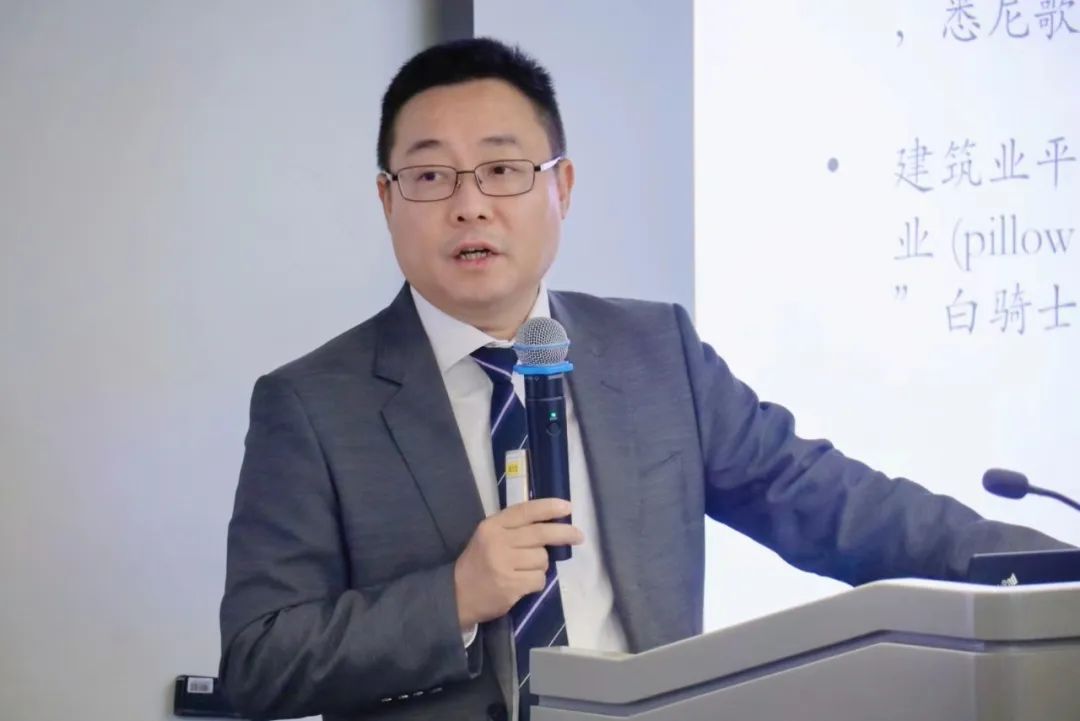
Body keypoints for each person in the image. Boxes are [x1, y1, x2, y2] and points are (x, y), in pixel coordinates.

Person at [218, 37, 1066, 721]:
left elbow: (839, 506)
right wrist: (453, 597)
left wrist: (1053, 572)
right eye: (431, 176)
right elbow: (258, 663)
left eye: (503, 170)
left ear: (562, 187)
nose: (470, 204)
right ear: (387, 199)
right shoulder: (314, 404)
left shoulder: (655, 352)